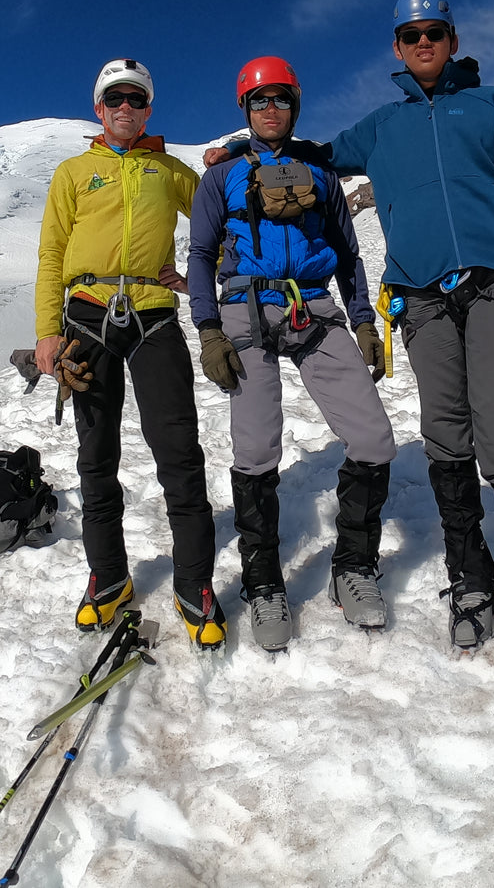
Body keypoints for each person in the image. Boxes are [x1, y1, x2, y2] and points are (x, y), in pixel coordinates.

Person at [205, 0, 494, 649]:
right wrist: (238, 146)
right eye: (411, 34)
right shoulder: (380, 126)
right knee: (445, 432)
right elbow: (312, 152)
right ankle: (472, 576)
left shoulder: (493, 106)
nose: (423, 43)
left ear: (452, 40)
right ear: (398, 48)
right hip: (421, 295)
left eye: (434, 31)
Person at [187, 56, 397, 652]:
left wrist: (363, 321)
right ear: (245, 111)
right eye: (258, 102)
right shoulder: (220, 176)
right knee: (256, 447)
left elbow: (349, 254)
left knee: (375, 439)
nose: (269, 109)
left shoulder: (320, 174)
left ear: (295, 105)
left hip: (315, 308)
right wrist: (207, 329)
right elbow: (200, 255)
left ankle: (354, 566)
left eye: (279, 99)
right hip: (245, 313)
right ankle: (262, 582)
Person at [34, 58, 225, 648]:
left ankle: (193, 581)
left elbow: (220, 223)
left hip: (153, 316)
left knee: (178, 449)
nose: (125, 107)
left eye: (135, 99)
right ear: (99, 108)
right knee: (96, 456)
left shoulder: (170, 170)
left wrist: (199, 274)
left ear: (148, 109)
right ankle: (109, 577)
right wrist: (46, 331)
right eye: (114, 98)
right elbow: (51, 254)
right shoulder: (73, 172)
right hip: (86, 317)